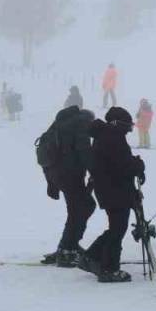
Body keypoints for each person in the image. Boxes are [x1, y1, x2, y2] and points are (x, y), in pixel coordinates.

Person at [81, 107, 146, 283]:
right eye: (127, 126)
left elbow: (118, 162)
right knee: (118, 228)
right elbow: (121, 166)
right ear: (119, 124)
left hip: (109, 188)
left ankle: (93, 257)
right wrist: (137, 166)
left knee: (116, 227)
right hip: (114, 189)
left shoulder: (105, 136)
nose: (129, 130)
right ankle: (109, 268)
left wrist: (134, 164)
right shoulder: (112, 138)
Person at [40, 104, 97, 267]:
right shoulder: (81, 125)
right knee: (84, 206)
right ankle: (67, 249)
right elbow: (84, 151)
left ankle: (68, 246)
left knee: (78, 208)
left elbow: (48, 155)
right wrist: (95, 171)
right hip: (69, 175)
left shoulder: (60, 125)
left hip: (57, 174)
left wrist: (51, 183)